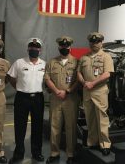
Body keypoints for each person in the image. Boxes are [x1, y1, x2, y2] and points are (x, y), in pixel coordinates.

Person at [7, 38, 46, 163]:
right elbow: (11, 77)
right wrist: (20, 88)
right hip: (22, 98)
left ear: (40, 50)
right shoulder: (19, 63)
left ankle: (36, 153)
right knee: (19, 127)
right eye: (31, 47)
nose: (34, 49)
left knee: (38, 127)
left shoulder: (44, 64)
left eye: (36, 47)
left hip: (38, 98)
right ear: (28, 49)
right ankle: (18, 154)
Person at [77, 32, 114, 156]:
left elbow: (107, 73)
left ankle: (105, 144)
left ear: (101, 42)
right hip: (87, 91)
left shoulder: (106, 57)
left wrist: (92, 83)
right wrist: (84, 83)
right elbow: (79, 73)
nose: (94, 44)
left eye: (97, 42)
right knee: (90, 118)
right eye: (92, 42)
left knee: (102, 119)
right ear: (89, 43)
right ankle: (92, 141)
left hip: (99, 91)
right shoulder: (84, 57)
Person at [45, 36, 79, 164]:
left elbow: (78, 80)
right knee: (55, 127)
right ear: (59, 47)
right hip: (55, 98)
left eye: (66, 46)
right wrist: (56, 91)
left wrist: (68, 91)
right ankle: (54, 153)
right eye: (62, 46)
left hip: (71, 99)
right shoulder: (52, 62)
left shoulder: (76, 62)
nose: (64, 48)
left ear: (70, 47)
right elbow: (47, 78)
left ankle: (71, 154)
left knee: (71, 127)